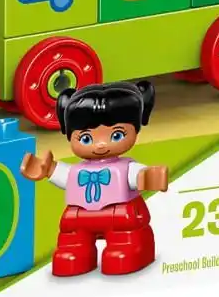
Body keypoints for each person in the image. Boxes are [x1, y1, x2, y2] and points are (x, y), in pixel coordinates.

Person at [20, 80, 168, 276]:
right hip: (78, 217)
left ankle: (129, 248)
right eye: (86, 138)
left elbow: (137, 175)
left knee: (125, 238)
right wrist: (47, 169)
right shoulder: (77, 170)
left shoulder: (126, 167)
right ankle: (75, 250)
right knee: (72, 237)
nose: (100, 145)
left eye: (116, 135)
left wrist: (149, 176)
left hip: (120, 215)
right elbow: (64, 175)